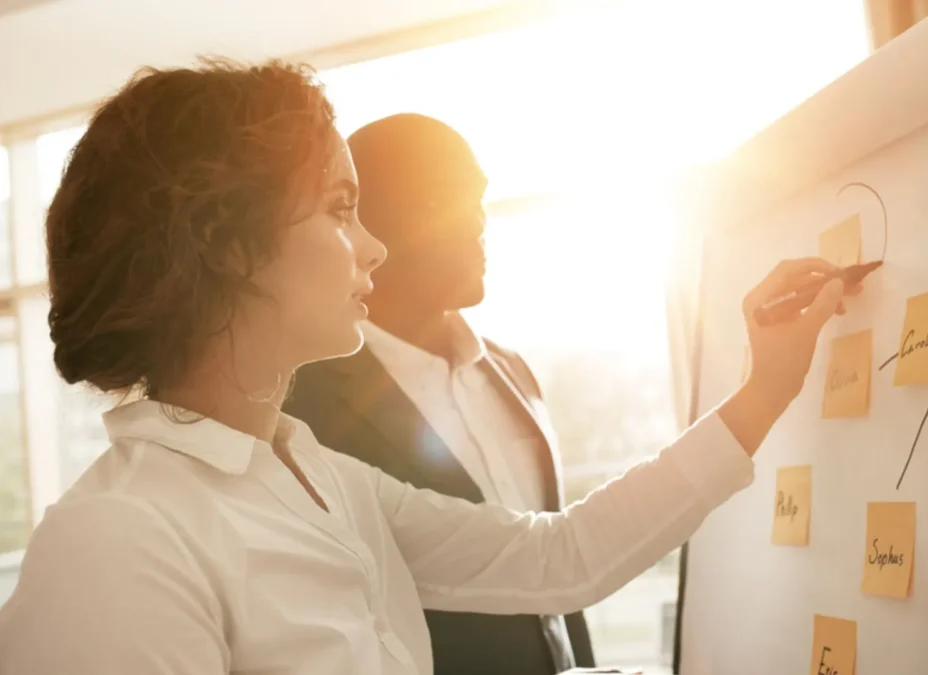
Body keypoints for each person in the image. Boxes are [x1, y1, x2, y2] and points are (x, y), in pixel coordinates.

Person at [0, 58, 853, 675]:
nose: (373, 247)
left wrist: (765, 388)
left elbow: (561, 557)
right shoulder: (115, 543)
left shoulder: (329, 482)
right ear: (230, 247)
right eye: (341, 209)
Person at [281, 114, 593, 675]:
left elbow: (556, 564)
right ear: (370, 223)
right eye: (446, 199)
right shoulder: (303, 406)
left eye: (479, 199)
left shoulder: (512, 371)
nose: (477, 222)